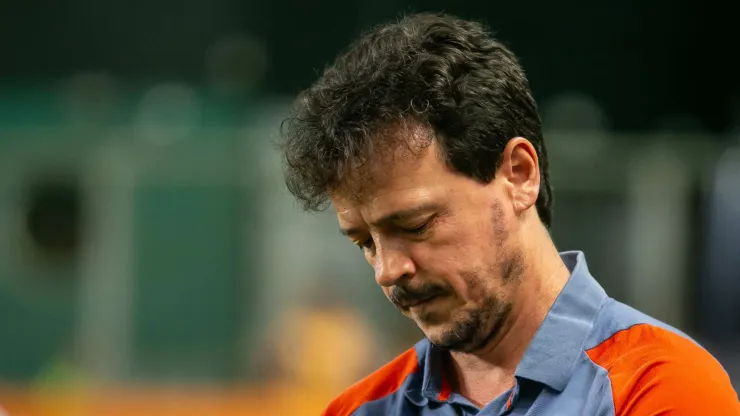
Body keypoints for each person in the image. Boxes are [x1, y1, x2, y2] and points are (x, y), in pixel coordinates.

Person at [277, 12, 740, 416]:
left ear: (519, 175)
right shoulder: (357, 410)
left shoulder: (660, 388)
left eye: (415, 225)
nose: (388, 269)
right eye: (365, 242)